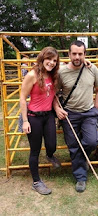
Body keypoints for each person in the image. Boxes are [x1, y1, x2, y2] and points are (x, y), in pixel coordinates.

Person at [53, 40, 98, 193]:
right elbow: (54, 94)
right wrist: (56, 108)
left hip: (89, 112)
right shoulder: (61, 72)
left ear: (85, 54)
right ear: (69, 54)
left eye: (80, 54)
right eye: (74, 53)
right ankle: (80, 177)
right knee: (74, 147)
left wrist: (96, 109)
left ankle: (82, 160)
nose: (77, 57)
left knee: (92, 141)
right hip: (70, 114)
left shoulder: (92, 68)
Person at [20, 47, 61, 195]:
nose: (51, 62)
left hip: (48, 115)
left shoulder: (53, 75)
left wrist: (87, 62)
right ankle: (36, 182)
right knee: (35, 151)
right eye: (49, 59)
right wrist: (25, 121)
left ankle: (50, 155)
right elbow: (23, 98)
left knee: (52, 144)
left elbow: (53, 95)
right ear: (42, 58)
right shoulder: (32, 75)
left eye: (54, 60)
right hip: (34, 117)